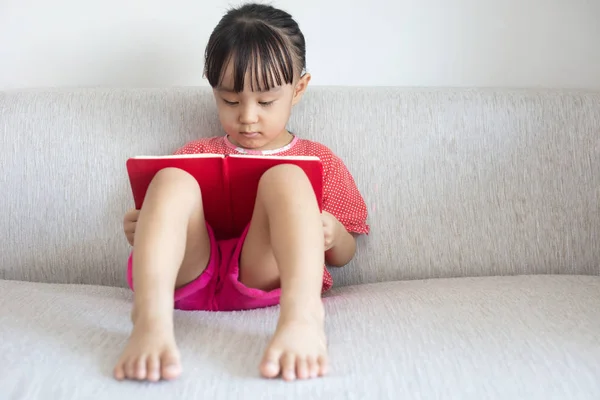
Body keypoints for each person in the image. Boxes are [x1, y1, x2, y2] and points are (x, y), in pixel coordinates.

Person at [113, 2, 369, 383]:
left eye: (266, 102)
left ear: (299, 89)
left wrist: (333, 233)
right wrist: (145, 224)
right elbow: (163, 223)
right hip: (191, 276)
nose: (247, 116)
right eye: (230, 101)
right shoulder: (196, 153)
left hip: (261, 275)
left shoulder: (319, 159)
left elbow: (346, 254)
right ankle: (149, 320)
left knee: (288, 177)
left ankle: (302, 318)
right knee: (172, 179)